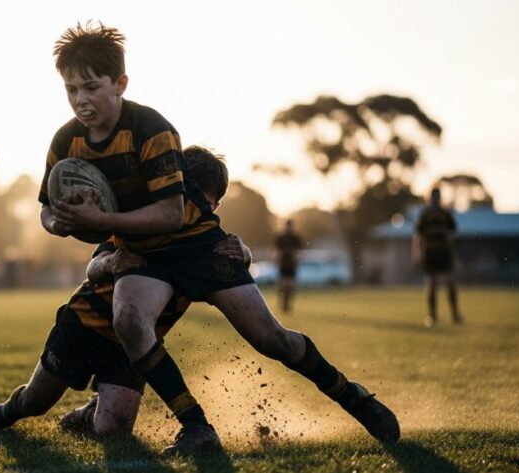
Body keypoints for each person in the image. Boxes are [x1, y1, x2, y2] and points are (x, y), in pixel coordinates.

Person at [38, 23, 399, 453]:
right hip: (144, 255)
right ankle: (197, 426)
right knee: (130, 320)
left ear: (120, 84)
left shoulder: (151, 129)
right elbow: (49, 213)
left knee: (271, 338)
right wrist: (58, 220)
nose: (80, 99)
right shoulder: (67, 140)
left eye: (90, 87)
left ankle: (351, 395)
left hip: (197, 247)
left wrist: (105, 217)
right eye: (70, 89)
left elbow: (173, 215)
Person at [0, 145, 249, 452]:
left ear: (216, 206)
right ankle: (4, 412)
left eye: (203, 204)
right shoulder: (140, 225)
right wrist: (112, 263)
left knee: (112, 431)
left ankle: (90, 411)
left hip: (131, 347)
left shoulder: (209, 246)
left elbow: (226, 275)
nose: (190, 210)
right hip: (85, 323)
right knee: (35, 402)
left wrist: (245, 254)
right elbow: (94, 267)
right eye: (184, 199)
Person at [413, 188, 463, 327]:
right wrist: (417, 253)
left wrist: (451, 250)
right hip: (430, 253)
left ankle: (455, 314)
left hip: (444, 253)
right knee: (432, 284)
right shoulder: (425, 214)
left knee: (450, 282)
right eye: (433, 197)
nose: (435, 199)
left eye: (437, 197)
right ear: (430, 198)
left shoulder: (445, 214)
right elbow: (418, 235)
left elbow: (453, 232)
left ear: (440, 198)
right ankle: (432, 316)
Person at [272, 219, 303, 314]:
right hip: (283, 264)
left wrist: (297, 258)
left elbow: (299, 251)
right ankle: (282, 303)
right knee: (284, 284)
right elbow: (275, 250)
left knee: (291, 286)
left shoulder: (296, 238)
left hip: (292, 265)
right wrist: (276, 259)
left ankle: (288, 304)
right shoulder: (280, 237)